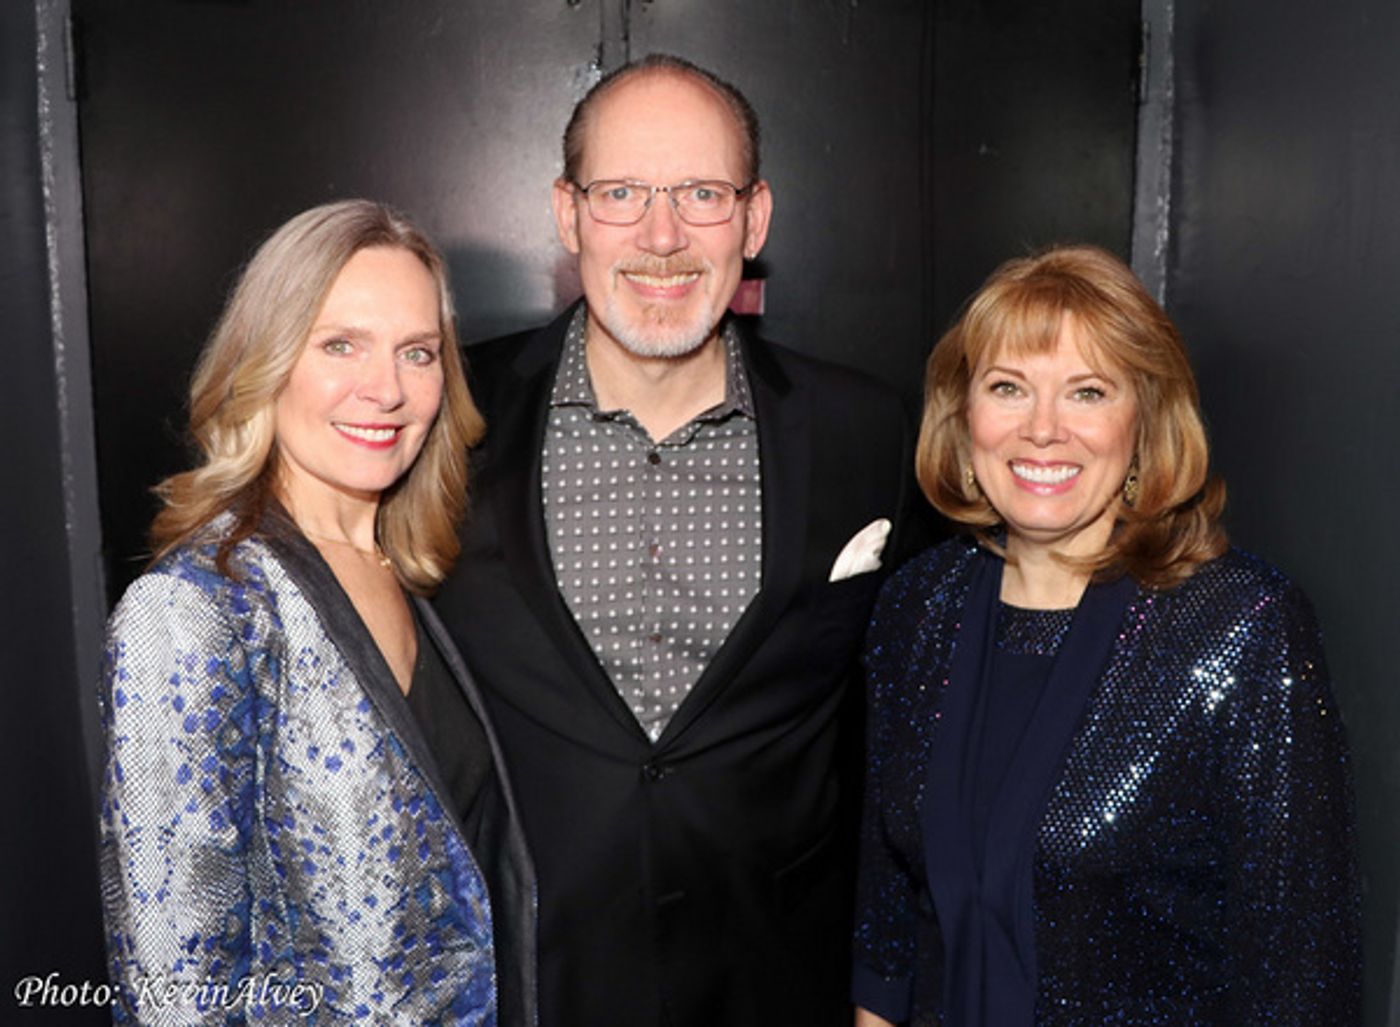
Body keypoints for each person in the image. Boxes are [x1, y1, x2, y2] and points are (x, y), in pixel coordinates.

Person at [433, 54, 918, 1027]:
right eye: (621, 193)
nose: (662, 236)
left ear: (754, 217)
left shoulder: (867, 432)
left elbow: (912, 729)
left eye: (702, 192)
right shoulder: (446, 418)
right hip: (520, 982)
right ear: (568, 216)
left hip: (777, 982)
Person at [851, 244, 1361, 1026]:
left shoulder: (1240, 625)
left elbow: (1301, 977)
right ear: (964, 416)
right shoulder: (918, 606)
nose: (1044, 429)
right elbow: (888, 932)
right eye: (1008, 387)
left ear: (1144, 417)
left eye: (1087, 391)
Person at [98, 200, 536, 1026]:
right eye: (340, 344)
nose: (387, 389)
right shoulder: (198, 609)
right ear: (265, 360)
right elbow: (174, 995)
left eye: (418, 352)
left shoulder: (412, 575)